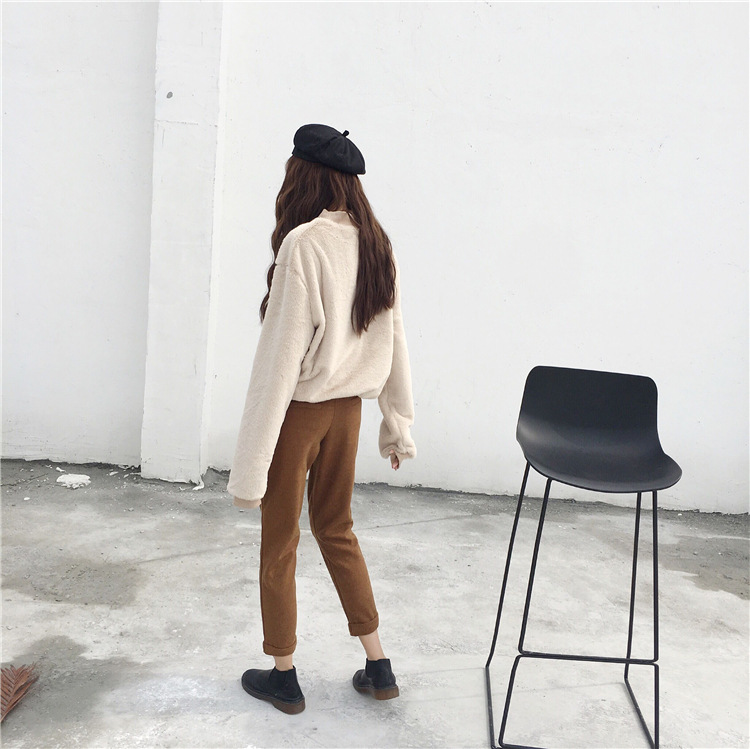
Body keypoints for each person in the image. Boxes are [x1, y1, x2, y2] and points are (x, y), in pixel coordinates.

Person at [227, 124, 416, 715]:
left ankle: (283, 676)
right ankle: (378, 664)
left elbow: (278, 365)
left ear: (302, 176)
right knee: (337, 530)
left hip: (300, 416)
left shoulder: (304, 244)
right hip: (348, 415)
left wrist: (249, 472)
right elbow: (394, 340)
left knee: (280, 541)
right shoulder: (376, 241)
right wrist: (397, 424)